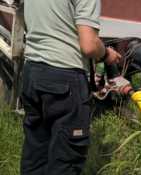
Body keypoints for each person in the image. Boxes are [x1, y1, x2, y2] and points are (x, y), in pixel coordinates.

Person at [21, 0, 121, 174]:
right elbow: (89, 45)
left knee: (36, 151)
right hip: (65, 79)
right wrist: (107, 54)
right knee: (65, 161)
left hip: (32, 72)